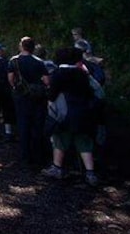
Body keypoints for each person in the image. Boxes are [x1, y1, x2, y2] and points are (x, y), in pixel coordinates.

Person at [42, 47, 100, 186]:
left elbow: (52, 95)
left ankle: (57, 168)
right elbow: (90, 93)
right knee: (84, 143)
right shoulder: (82, 74)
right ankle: (90, 173)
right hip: (83, 113)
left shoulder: (59, 74)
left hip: (64, 114)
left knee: (60, 141)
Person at [8, 36, 50, 166]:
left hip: (21, 96)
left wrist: (16, 87)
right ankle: (37, 155)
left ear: (21, 46)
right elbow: (47, 81)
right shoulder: (39, 62)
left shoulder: (14, 61)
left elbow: (10, 78)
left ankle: (25, 156)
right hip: (37, 97)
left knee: (23, 124)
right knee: (37, 125)